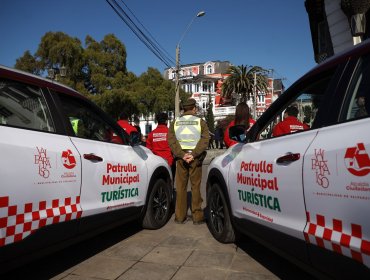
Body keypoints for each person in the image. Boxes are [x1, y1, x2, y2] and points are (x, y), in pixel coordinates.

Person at [168, 98, 209, 225]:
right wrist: (194, 154)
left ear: (183, 109)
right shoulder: (200, 122)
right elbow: (205, 140)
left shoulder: (175, 122)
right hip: (195, 158)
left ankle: (180, 216)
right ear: (194, 108)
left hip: (181, 159)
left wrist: (182, 155)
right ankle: (197, 216)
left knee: (180, 187)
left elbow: (171, 140)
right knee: (195, 186)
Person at [146, 112, 175, 176]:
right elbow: (174, 148)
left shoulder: (151, 134)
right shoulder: (170, 133)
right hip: (169, 162)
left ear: (157, 121)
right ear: (166, 121)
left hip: (156, 164)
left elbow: (148, 150)